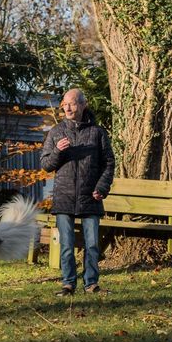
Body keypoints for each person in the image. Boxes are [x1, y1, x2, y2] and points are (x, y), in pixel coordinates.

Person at [40, 88, 115, 295]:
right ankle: (68, 284)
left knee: (91, 245)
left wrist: (102, 187)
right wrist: (58, 151)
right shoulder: (56, 132)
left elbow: (108, 163)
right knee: (66, 245)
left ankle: (91, 284)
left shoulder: (97, 133)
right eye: (65, 104)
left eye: (72, 103)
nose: (68, 107)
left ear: (83, 104)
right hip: (64, 197)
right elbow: (46, 165)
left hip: (90, 196)